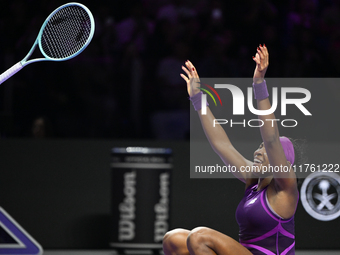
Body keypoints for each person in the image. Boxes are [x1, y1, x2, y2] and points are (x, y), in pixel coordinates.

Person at [162, 45, 299, 255]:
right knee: (174, 239)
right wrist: (198, 99)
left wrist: (259, 83)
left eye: (267, 150)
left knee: (199, 237)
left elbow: (271, 139)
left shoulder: (286, 189)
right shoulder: (252, 180)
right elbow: (222, 145)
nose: (259, 151)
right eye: (259, 147)